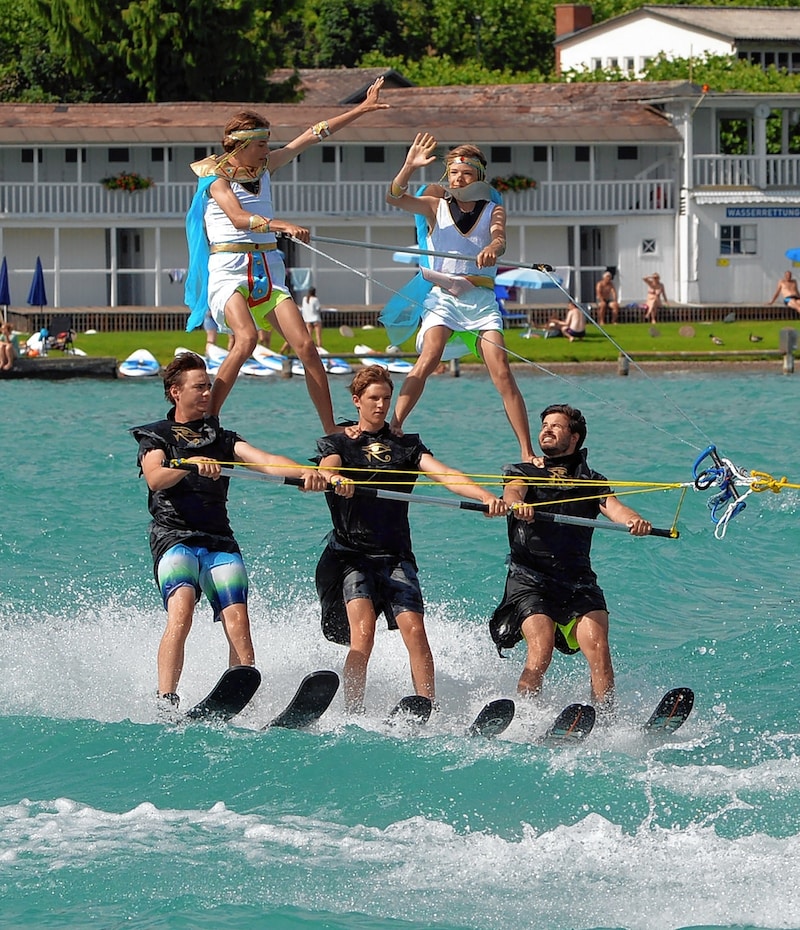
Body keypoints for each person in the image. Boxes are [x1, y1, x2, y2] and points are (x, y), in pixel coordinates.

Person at [184, 78, 389, 428]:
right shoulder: (216, 177)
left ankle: (331, 429)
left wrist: (360, 110)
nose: (268, 149)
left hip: (268, 269)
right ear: (241, 145)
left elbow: (311, 136)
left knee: (307, 348)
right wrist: (282, 225)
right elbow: (237, 218)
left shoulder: (265, 168)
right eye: (262, 144)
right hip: (230, 269)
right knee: (246, 338)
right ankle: (209, 419)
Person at [130, 351, 326, 712]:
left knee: (238, 617)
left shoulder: (220, 438)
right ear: (175, 391)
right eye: (199, 387)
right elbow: (156, 478)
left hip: (219, 540)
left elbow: (265, 461)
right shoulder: (155, 437)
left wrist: (306, 473)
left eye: (208, 387)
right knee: (182, 611)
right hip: (174, 539)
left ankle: (242, 690)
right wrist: (189, 464)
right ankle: (165, 699)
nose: (207, 393)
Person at [314, 365, 506, 714]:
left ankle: (427, 706)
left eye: (386, 398)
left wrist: (486, 497)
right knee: (364, 633)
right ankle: (352, 710)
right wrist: (335, 477)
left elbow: (446, 474)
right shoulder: (339, 442)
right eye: (373, 398)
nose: (381, 405)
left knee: (415, 630)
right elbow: (326, 467)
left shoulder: (406, 445)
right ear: (357, 400)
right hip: (352, 556)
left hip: (395, 554)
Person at [383, 132, 535, 462]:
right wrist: (409, 166)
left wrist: (493, 248)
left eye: (466, 173)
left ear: (479, 176)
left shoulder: (494, 209)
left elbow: (499, 238)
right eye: (453, 173)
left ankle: (526, 451)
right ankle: (393, 427)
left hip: (479, 300)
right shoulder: (434, 206)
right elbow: (394, 197)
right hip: (444, 297)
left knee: (502, 370)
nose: (459, 178)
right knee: (430, 355)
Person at [490, 404, 653, 710]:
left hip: (578, 581)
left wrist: (634, 521)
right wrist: (515, 505)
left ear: (575, 436)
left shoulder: (591, 480)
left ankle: (606, 720)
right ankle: (524, 716)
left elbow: (615, 508)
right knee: (542, 649)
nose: (546, 430)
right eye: (544, 426)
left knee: (599, 648)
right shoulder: (524, 471)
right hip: (530, 579)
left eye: (556, 426)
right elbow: (513, 492)